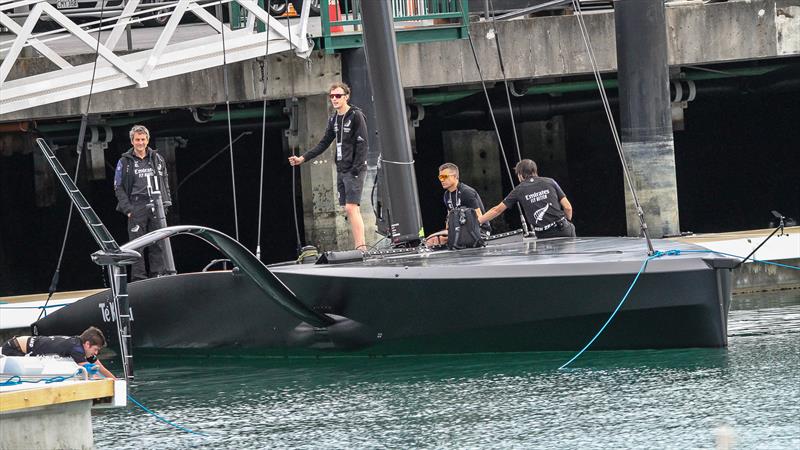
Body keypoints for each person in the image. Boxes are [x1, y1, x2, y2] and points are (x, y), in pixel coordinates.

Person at [288, 82, 369, 250]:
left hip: (354, 169)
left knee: (351, 207)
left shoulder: (355, 116)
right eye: (332, 96)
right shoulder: (334, 119)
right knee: (348, 209)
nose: (334, 99)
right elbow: (324, 143)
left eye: (338, 96)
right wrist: (303, 158)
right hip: (341, 168)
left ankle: (361, 248)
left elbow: (363, 144)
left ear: (346, 97)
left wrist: (356, 168)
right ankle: (358, 246)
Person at [114, 125, 172, 281]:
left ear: (148, 140)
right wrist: (128, 209)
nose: (140, 143)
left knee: (158, 243)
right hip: (136, 205)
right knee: (137, 244)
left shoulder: (157, 158)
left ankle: (158, 274)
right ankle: (139, 278)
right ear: (132, 141)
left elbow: (165, 180)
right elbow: (118, 187)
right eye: (137, 140)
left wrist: (166, 202)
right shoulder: (124, 162)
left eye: (143, 139)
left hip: (156, 204)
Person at [479, 159, 575, 238]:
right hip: (563, 230)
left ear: (520, 174)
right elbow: (568, 207)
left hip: (543, 235)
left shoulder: (519, 190)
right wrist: (568, 221)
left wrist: (478, 221)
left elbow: (497, 210)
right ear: (535, 171)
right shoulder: (550, 182)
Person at [0, 326, 116, 379]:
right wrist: (95, 377)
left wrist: (115, 381)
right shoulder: (76, 348)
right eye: (95, 349)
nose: (95, 353)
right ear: (87, 344)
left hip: (23, 346)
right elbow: (87, 368)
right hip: (13, 348)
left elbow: (100, 367)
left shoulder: (83, 349)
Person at [425, 162, 491, 247]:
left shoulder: (466, 192)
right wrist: (448, 233)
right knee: (431, 240)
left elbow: (479, 218)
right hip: (460, 231)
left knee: (439, 239)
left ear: (455, 176)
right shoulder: (446, 195)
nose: (442, 180)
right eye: (440, 177)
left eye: (444, 177)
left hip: (480, 232)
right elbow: (449, 218)